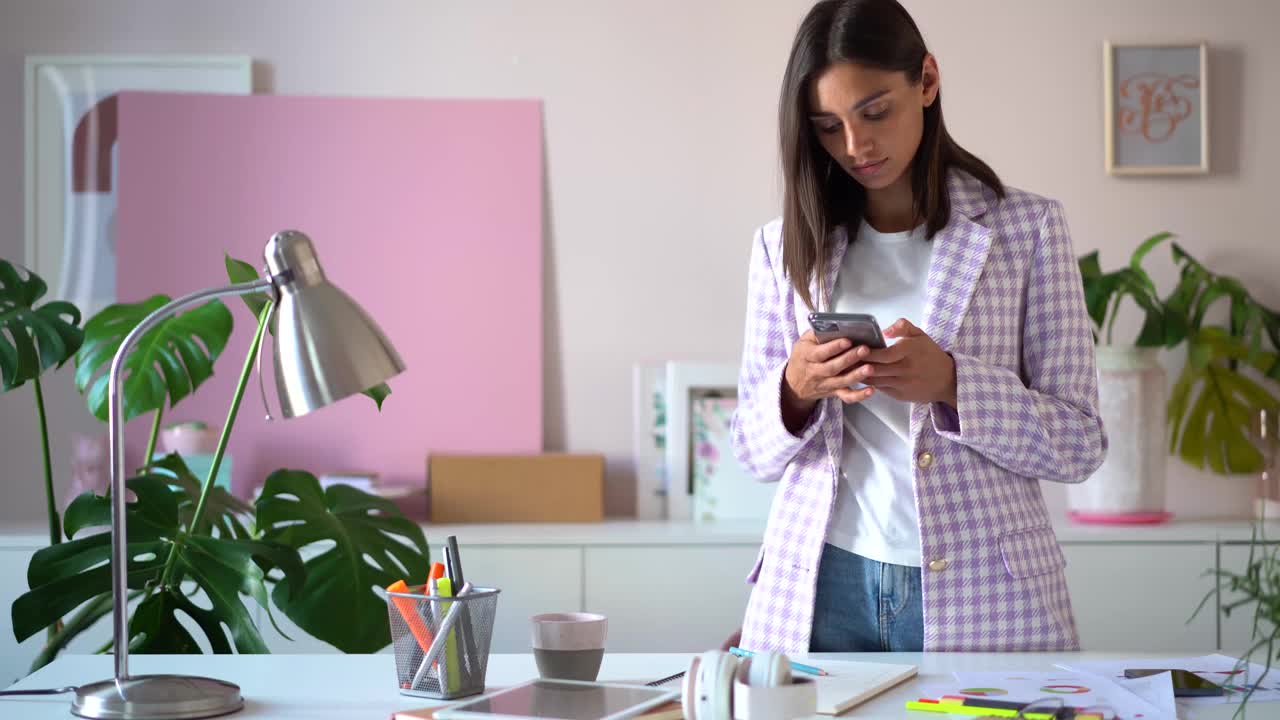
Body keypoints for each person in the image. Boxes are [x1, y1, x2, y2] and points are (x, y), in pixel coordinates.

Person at [729, 0, 1107, 653]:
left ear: (927, 81)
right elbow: (750, 451)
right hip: (820, 585)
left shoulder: (1028, 230)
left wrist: (956, 383)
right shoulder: (784, 245)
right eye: (827, 126)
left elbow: (1079, 441)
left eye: (875, 112)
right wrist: (794, 388)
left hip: (987, 593)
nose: (856, 146)